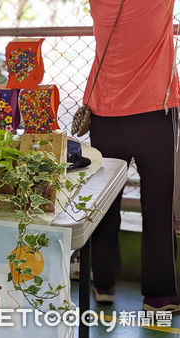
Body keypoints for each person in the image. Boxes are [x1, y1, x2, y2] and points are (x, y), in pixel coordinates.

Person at [86, 0, 179, 312]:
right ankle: (159, 296)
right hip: (155, 112)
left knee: (104, 204)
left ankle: (103, 284)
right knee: (158, 207)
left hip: (105, 114)